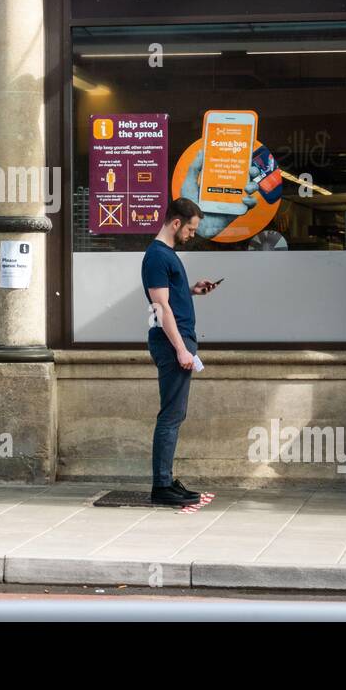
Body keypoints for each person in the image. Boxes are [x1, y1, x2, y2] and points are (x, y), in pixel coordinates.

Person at [141, 198, 220, 506]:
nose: (192, 234)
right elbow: (160, 307)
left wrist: (191, 291)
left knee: (175, 413)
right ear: (176, 223)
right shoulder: (157, 256)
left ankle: (166, 479)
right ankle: (161, 485)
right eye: (191, 228)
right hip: (172, 342)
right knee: (171, 415)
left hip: (178, 340)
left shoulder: (166, 255)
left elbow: (169, 297)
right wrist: (181, 350)